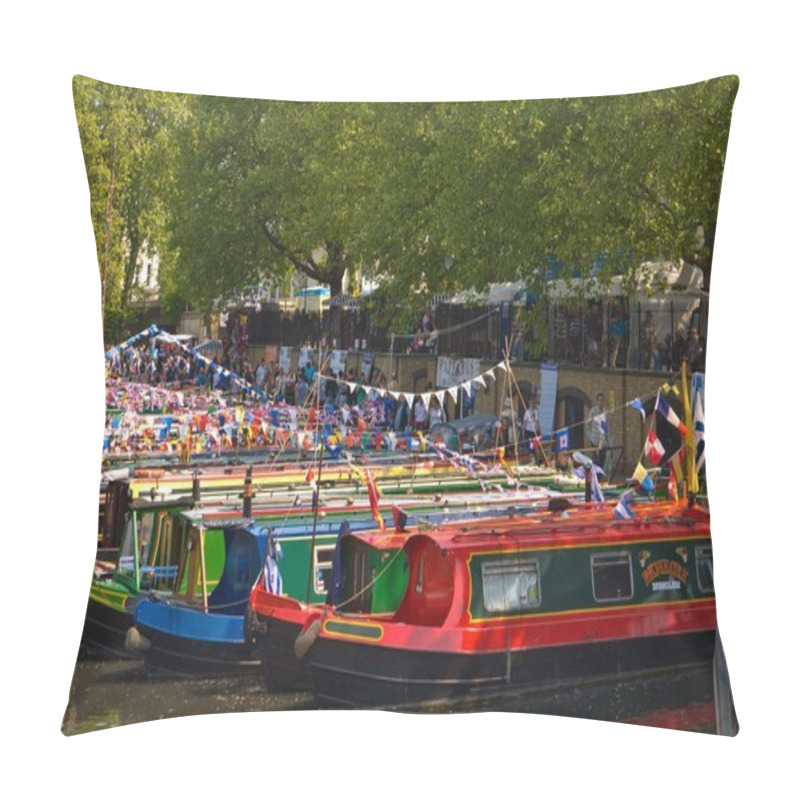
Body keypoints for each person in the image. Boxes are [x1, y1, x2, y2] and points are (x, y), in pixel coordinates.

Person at [586, 392, 611, 472]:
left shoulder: (605, 412)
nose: (601, 402)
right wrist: (590, 436)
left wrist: (607, 441)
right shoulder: (593, 411)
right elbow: (587, 423)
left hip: (602, 441)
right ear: (597, 401)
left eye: (602, 400)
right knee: (595, 459)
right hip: (594, 439)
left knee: (602, 460)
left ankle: (600, 476)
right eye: (599, 400)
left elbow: (607, 427)